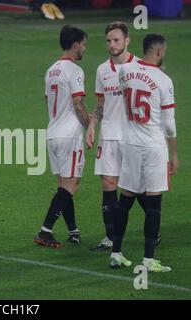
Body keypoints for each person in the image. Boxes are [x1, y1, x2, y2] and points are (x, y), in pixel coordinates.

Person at [110, 33, 178, 272]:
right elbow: (169, 125)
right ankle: (148, 260)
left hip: (129, 144)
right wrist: (175, 154)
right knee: (153, 203)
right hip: (153, 146)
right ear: (159, 52)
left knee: (126, 199)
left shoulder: (125, 70)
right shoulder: (164, 80)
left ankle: (116, 253)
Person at [87, 22, 143, 251]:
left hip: (133, 136)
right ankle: (111, 237)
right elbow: (101, 104)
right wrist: (91, 125)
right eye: (108, 40)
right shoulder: (102, 70)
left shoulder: (141, 67)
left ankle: (153, 226)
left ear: (127, 40)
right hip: (109, 135)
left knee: (139, 186)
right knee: (108, 184)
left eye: (116, 40)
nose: (112, 44)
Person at [34, 25, 89, 248]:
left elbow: (48, 101)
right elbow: (78, 103)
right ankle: (44, 231)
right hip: (70, 135)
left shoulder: (51, 70)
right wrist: (90, 124)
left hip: (53, 132)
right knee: (72, 184)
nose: (85, 48)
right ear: (75, 45)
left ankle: (73, 231)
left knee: (63, 185)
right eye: (84, 44)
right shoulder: (75, 71)